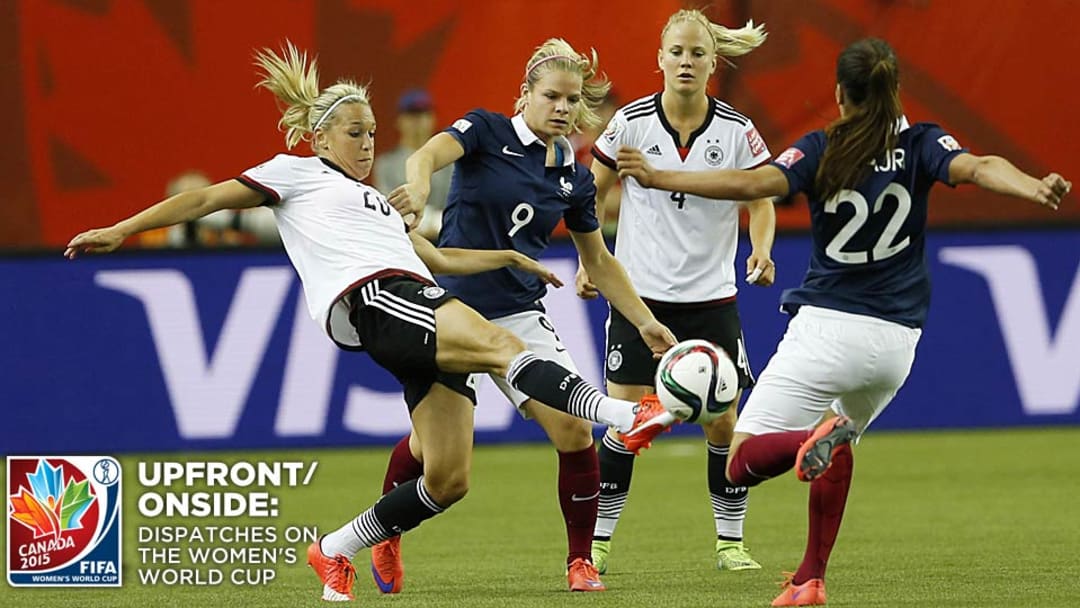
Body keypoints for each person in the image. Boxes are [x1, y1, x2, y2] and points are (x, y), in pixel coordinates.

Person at [64, 42, 674, 602]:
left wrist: (510, 258)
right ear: (320, 137)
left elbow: (436, 257)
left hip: (420, 297)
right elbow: (205, 199)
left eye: (370, 133)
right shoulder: (295, 173)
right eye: (354, 133)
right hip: (384, 299)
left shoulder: (381, 204)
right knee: (500, 345)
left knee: (448, 480)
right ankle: (627, 414)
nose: (365, 144)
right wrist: (124, 228)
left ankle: (335, 549)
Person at [615, 37, 1070, 606]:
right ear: (894, 92)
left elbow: (754, 184)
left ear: (839, 93)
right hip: (896, 345)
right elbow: (977, 167)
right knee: (841, 440)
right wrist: (1032, 185)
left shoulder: (822, 148)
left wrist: (660, 178)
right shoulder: (923, 143)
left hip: (829, 331)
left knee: (738, 461)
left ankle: (813, 440)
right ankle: (809, 577)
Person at [381, 38, 678, 593]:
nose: (562, 108)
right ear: (525, 95)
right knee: (431, 457)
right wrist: (418, 186)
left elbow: (599, 261)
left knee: (573, 430)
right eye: (552, 97)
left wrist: (643, 321)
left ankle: (579, 562)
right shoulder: (485, 131)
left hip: (517, 312)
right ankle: (386, 533)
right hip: (448, 307)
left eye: (572, 100)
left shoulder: (576, 178)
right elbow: (424, 156)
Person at [576, 9, 774, 576]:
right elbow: (590, 194)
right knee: (629, 420)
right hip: (641, 298)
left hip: (712, 298)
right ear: (660, 58)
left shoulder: (737, 131)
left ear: (714, 63)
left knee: (724, 422)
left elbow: (761, 197)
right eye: (677, 52)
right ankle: (598, 546)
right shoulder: (631, 125)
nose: (686, 62)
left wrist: (761, 248)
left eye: (697, 54)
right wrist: (593, 259)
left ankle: (730, 543)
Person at [374, 89, 453, 240]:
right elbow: (388, 209)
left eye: (424, 114)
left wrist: (435, 223)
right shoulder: (386, 164)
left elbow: (455, 204)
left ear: (432, 118)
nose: (418, 121)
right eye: (412, 115)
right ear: (399, 121)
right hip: (403, 240)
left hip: (445, 238)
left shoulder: (449, 161)